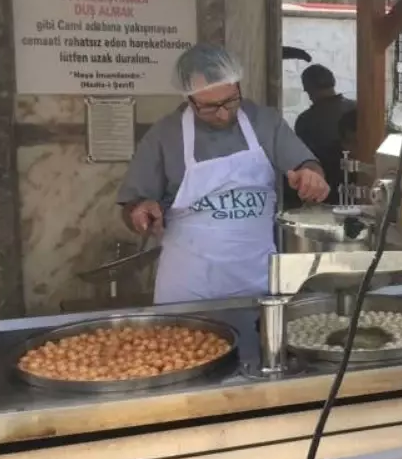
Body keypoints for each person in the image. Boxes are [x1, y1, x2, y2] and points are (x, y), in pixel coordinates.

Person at [118, 43, 330, 304]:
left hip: (257, 279)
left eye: (230, 101)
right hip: (188, 285)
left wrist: (311, 176)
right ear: (188, 98)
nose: (222, 113)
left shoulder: (265, 122)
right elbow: (132, 207)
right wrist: (140, 212)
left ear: (238, 85)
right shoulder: (165, 135)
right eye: (209, 106)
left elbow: (306, 164)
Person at [293, 64, 357, 205]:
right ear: (333, 82)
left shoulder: (305, 121)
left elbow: (302, 159)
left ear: (308, 90)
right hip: (360, 187)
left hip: (324, 193)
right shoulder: (356, 108)